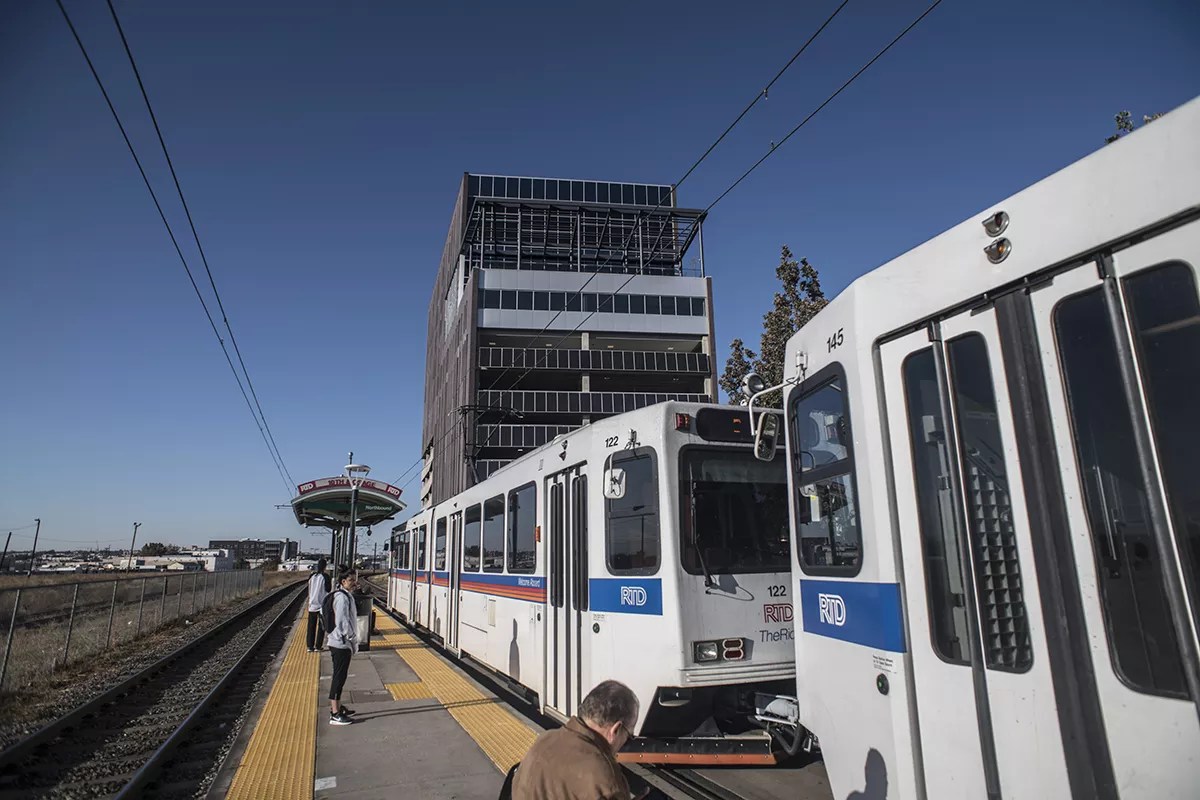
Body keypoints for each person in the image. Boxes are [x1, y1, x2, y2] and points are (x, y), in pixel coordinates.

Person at [511, 680, 641, 800]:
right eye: (628, 736)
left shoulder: (544, 740)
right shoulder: (605, 778)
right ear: (616, 729)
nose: (625, 742)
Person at [327, 568, 359, 725]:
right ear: (343, 582)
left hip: (340, 642)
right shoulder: (341, 598)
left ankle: (338, 707)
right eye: (351, 580)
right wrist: (351, 637)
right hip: (340, 643)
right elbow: (342, 622)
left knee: (340, 677)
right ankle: (335, 714)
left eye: (354, 579)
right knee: (338, 678)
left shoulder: (345, 595)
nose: (354, 583)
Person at [306, 558, 330, 652]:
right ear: (325, 566)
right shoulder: (325, 577)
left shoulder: (312, 576)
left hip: (311, 604)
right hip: (321, 605)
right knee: (321, 626)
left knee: (311, 626)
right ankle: (318, 646)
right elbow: (328, 589)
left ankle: (309, 646)